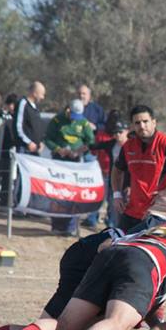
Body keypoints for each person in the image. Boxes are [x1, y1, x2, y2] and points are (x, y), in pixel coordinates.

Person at [110, 105, 166, 230]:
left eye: (145, 121)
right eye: (137, 123)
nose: (142, 126)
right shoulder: (128, 146)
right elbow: (117, 170)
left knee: (143, 248)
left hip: (156, 212)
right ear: (132, 126)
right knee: (116, 245)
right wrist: (117, 194)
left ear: (154, 122)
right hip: (131, 211)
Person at [45, 99, 96, 236]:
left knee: (72, 193)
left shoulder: (83, 123)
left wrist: (80, 150)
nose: (75, 120)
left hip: (75, 162)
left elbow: (90, 140)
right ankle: (56, 225)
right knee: (57, 192)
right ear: (68, 110)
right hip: (58, 160)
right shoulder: (57, 121)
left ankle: (70, 227)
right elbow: (48, 138)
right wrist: (58, 149)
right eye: (73, 116)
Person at [89, 110, 129, 228]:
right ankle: (113, 227)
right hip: (114, 180)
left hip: (129, 183)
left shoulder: (133, 145)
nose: (117, 135)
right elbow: (95, 146)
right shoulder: (112, 144)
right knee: (113, 204)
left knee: (127, 208)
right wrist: (85, 144)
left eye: (120, 132)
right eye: (115, 133)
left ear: (127, 131)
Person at [77, 85, 106, 229]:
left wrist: (94, 126)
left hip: (91, 153)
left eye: (84, 93)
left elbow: (105, 126)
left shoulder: (97, 109)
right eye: (79, 93)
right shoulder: (73, 107)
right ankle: (72, 217)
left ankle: (92, 218)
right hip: (74, 152)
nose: (81, 96)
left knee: (93, 185)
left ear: (89, 95)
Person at [13, 81, 47, 155]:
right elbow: (18, 127)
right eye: (42, 94)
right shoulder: (23, 103)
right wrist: (28, 142)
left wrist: (40, 142)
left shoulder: (35, 108)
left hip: (35, 150)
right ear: (35, 93)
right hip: (24, 149)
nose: (43, 97)